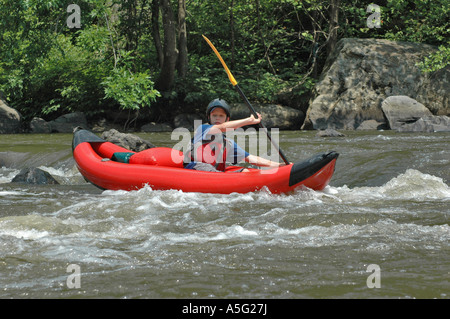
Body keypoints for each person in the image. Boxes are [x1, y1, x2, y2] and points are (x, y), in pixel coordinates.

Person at [184, 98, 286, 172]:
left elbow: (250, 158)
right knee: (209, 169)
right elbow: (222, 128)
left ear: (227, 119)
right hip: (195, 168)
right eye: (214, 115)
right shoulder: (202, 129)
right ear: (209, 117)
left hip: (214, 174)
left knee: (245, 172)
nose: (217, 118)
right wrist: (249, 120)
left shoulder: (228, 144)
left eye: (221, 116)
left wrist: (279, 165)